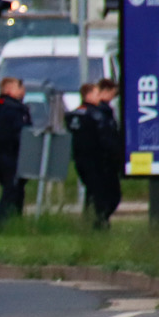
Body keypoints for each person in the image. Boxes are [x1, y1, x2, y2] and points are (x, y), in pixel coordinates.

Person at [0, 76, 33, 227]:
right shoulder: (15, 108)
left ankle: (13, 224)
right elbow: (22, 133)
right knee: (12, 191)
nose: (23, 91)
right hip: (14, 155)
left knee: (13, 190)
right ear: (10, 89)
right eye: (20, 88)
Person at [89, 78, 125, 226]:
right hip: (104, 161)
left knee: (109, 195)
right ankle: (100, 220)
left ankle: (100, 220)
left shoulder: (105, 111)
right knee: (109, 195)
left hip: (106, 161)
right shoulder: (99, 112)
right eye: (112, 93)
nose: (113, 97)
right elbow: (105, 138)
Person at [70, 81, 102, 223]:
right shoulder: (94, 114)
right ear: (88, 95)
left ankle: (89, 217)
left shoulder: (73, 115)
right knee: (96, 189)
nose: (99, 97)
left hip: (79, 157)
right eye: (96, 93)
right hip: (93, 157)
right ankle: (94, 218)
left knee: (91, 189)